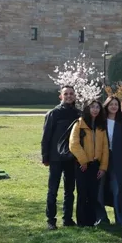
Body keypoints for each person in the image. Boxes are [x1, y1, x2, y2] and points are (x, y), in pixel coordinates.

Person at [41, 86, 81, 230]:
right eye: (66, 94)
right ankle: (51, 220)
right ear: (61, 96)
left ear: (75, 96)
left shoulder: (78, 114)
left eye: (71, 94)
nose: (69, 96)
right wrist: (45, 156)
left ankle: (68, 219)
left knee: (70, 190)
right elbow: (46, 137)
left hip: (72, 158)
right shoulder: (53, 113)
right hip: (55, 158)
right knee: (53, 189)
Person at [68, 99, 108, 227]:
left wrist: (103, 167)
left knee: (93, 194)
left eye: (97, 107)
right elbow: (73, 144)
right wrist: (83, 160)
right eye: (92, 107)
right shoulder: (79, 124)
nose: (95, 109)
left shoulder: (101, 126)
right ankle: (81, 222)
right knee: (82, 193)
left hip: (96, 165)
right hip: (82, 165)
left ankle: (91, 222)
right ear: (87, 109)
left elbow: (105, 148)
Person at [100, 95, 122, 226]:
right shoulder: (100, 122)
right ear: (106, 106)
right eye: (111, 104)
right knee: (99, 190)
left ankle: (121, 219)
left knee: (118, 189)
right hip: (101, 159)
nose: (113, 106)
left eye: (116, 104)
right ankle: (101, 218)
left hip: (117, 161)